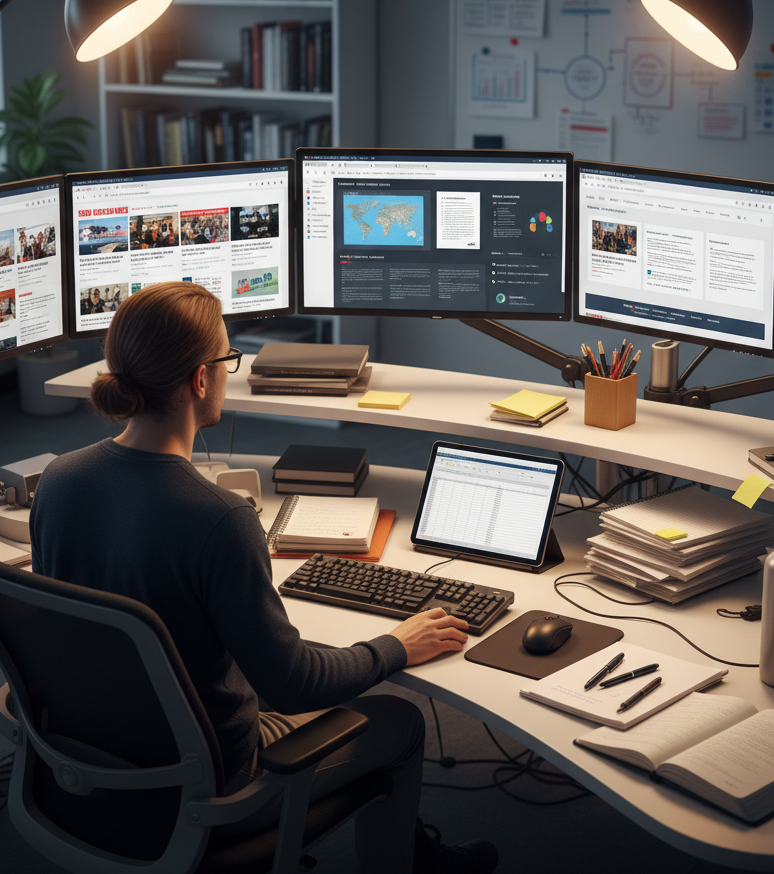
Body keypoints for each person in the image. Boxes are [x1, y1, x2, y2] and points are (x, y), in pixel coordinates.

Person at [30, 282, 498, 874]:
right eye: (229, 359)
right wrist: (394, 646)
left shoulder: (60, 481)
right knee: (400, 722)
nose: (231, 372)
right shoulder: (219, 518)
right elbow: (293, 684)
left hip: (97, 763)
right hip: (217, 784)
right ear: (201, 379)